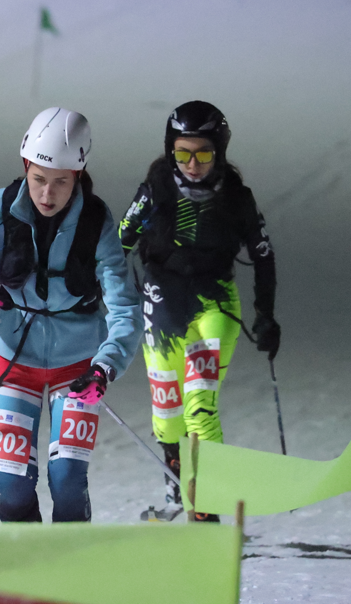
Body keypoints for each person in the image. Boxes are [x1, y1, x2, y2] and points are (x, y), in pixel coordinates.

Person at [0, 107, 141, 529]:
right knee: (11, 486)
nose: (47, 195)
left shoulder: (97, 223)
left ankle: (70, 569)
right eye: (38, 180)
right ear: (25, 167)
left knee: (67, 477)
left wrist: (106, 367)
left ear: (79, 176)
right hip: (11, 361)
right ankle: (29, 572)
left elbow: (125, 307)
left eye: (61, 183)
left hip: (79, 366)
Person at [119, 101, 280, 523]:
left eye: (204, 154)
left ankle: (208, 508)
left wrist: (266, 313)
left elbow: (263, 256)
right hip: (163, 304)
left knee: (200, 405)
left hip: (215, 304)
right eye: (183, 153)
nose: (193, 164)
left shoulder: (237, 198)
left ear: (220, 151)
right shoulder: (155, 190)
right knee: (167, 413)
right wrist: (102, 297)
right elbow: (118, 243)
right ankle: (179, 487)